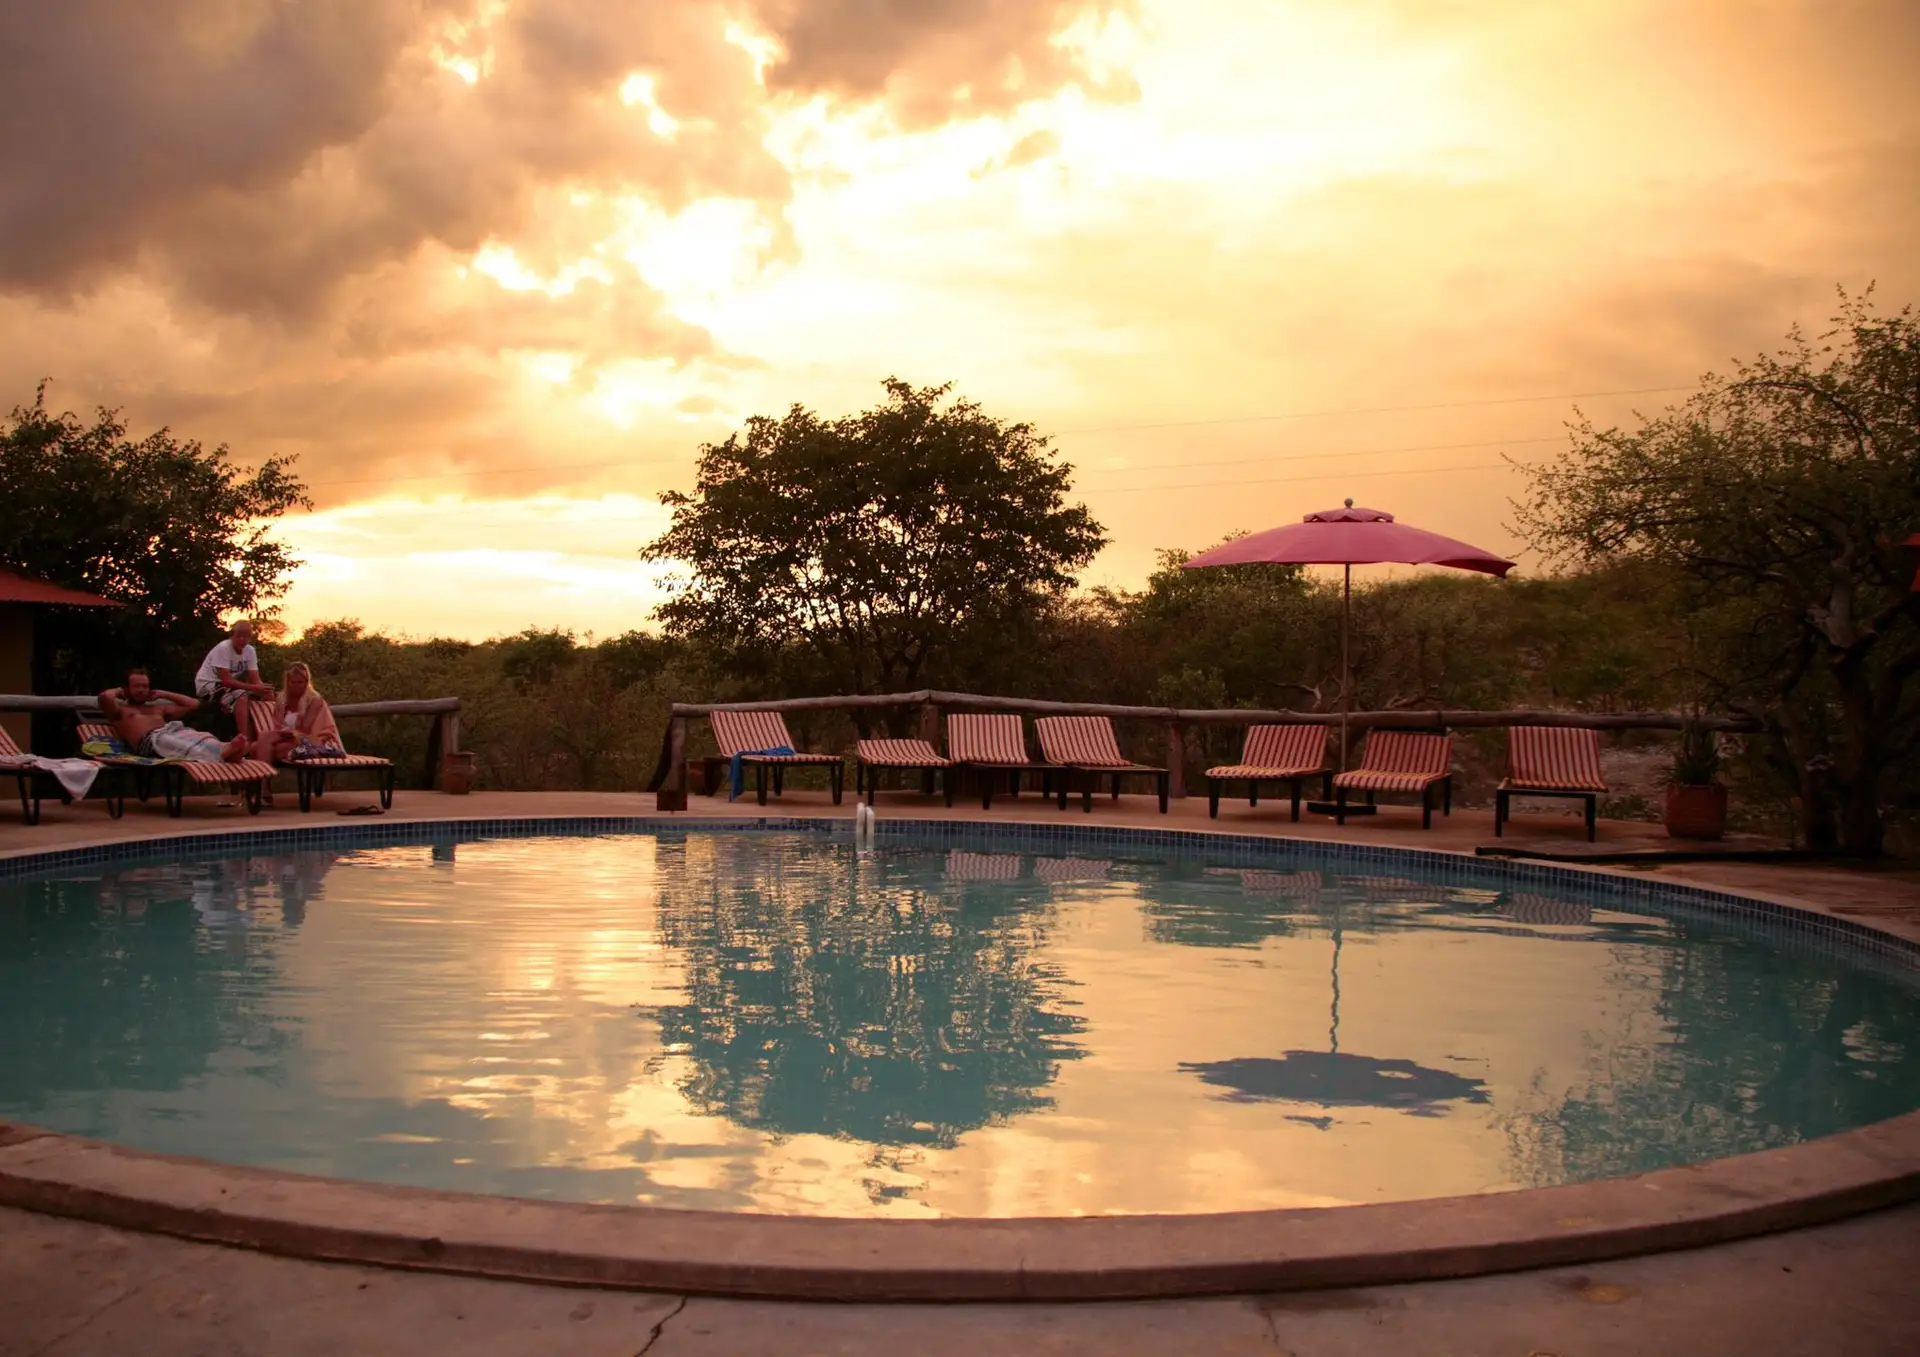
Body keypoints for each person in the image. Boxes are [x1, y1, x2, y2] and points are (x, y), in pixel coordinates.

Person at [97, 669, 250, 762]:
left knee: (200, 735)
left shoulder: (158, 709)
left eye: (145, 686)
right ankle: (223, 753)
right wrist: (119, 691)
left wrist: (165, 694)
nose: (142, 690)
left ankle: (226, 749)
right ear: (126, 688)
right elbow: (105, 697)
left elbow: (193, 705)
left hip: (170, 733)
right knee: (170, 740)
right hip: (150, 743)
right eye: (136, 686)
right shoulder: (120, 711)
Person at [194, 619, 274, 737]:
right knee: (241, 695)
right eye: (239, 636)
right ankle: (244, 738)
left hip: (226, 687)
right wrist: (253, 688)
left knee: (267, 694)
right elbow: (226, 680)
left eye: (246, 637)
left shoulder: (250, 651)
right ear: (232, 636)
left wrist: (264, 690)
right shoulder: (223, 648)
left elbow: (254, 678)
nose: (242, 640)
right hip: (208, 684)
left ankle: (266, 733)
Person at [254, 661, 346, 764]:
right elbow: (277, 724)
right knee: (261, 740)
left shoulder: (314, 701)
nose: (297, 686)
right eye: (293, 682)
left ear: (306, 682)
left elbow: (313, 731)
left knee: (264, 746)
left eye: (300, 682)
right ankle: (264, 777)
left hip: (313, 742)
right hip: (288, 739)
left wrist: (293, 733)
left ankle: (263, 778)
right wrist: (286, 732)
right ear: (287, 682)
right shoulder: (281, 700)